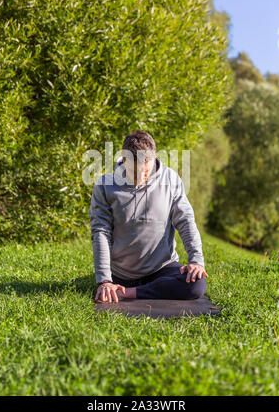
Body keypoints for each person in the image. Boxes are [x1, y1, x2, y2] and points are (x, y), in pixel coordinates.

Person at [89, 129, 208, 303]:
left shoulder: (171, 180)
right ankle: (124, 288)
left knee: (196, 284)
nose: (141, 178)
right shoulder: (104, 186)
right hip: (121, 275)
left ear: (153, 159)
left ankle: (127, 293)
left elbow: (185, 221)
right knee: (109, 284)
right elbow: (100, 233)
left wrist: (196, 260)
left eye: (145, 171)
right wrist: (105, 281)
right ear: (124, 160)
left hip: (161, 269)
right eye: (134, 171)